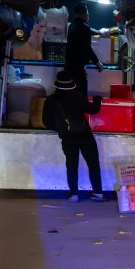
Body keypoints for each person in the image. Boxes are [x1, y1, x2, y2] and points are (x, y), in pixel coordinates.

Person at [45, 69, 105, 202]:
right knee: (93, 163)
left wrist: (61, 129)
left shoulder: (50, 100)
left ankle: (74, 195)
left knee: (71, 166)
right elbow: (93, 110)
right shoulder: (78, 96)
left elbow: (46, 122)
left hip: (67, 138)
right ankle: (98, 193)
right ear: (71, 83)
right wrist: (97, 99)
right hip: (84, 136)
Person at [63, 3, 104, 99]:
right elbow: (87, 48)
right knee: (80, 97)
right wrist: (97, 62)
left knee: (69, 97)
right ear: (85, 14)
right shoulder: (84, 27)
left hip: (68, 68)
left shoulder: (71, 26)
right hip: (78, 70)